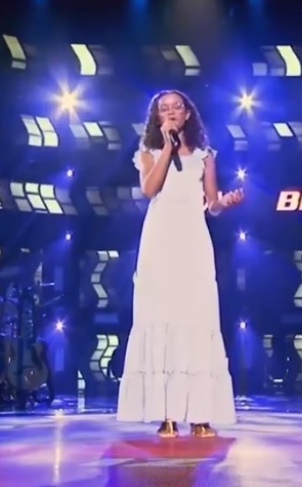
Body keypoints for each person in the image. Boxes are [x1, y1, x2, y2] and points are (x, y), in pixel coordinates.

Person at [116, 89, 244, 438]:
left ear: (188, 114)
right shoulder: (148, 152)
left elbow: (211, 204)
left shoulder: (205, 156)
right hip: (160, 242)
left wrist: (225, 202)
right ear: (157, 117)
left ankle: (200, 414)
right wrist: (168, 148)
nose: (171, 112)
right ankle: (166, 414)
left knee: (196, 318)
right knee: (163, 317)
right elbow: (149, 189)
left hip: (193, 241)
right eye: (164, 109)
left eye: (177, 107)